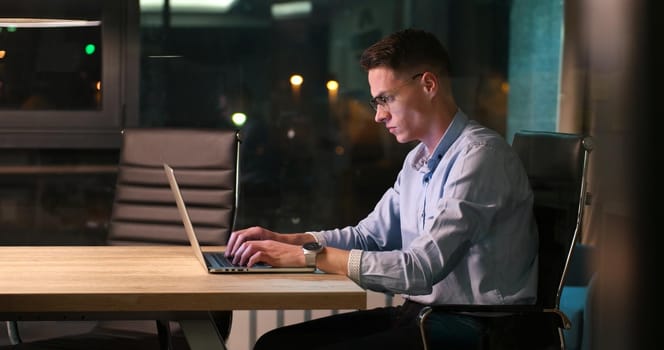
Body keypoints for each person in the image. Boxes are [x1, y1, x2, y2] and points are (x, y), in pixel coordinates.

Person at [224, 28, 538, 350]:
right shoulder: (418, 159)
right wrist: (295, 241)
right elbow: (369, 236)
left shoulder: (481, 157)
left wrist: (307, 257)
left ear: (428, 84)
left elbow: (420, 268)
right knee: (275, 344)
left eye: (385, 99)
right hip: (422, 315)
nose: (378, 116)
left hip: (475, 328)